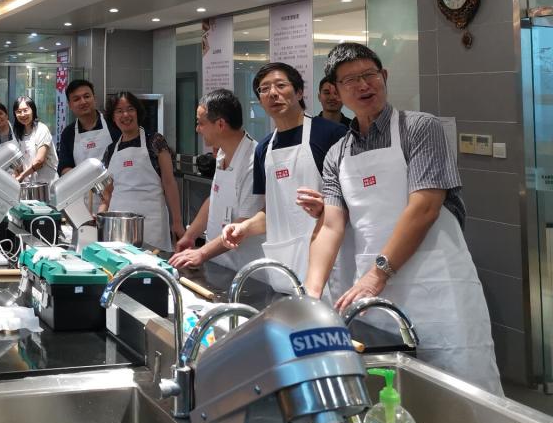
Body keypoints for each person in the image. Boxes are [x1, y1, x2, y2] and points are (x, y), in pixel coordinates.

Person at [304, 43, 502, 395]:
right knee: (392, 392)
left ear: (384, 76)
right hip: (376, 298)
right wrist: (310, 293)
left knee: (462, 389)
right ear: (335, 90)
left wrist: (378, 274)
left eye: (369, 75)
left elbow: (424, 208)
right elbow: (331, 225)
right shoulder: (336, 154)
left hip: (436, 286)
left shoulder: (420, 128)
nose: (363, 85)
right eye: (350, 80)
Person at [221, 62, 351, 297]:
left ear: (299, 92)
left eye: (281, 85)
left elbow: (355, 199)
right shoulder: (264, 148)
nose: (273, 93)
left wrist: (326, 207)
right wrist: (244, 228)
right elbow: (272, 212)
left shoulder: (331, 134)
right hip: (285, 266)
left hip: (332, 264)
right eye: (264, 89)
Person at [169, 89, 264, 271]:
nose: (197, 129)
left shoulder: (253, 161)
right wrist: (190, 235)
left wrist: (202, 253)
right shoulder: (221, 153)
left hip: (244, 269)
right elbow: (214, 199)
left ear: (220, 124)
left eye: (201, 123)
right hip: (218, 261)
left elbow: (245, 222)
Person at [100, 92, 184, 252]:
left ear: (138, 112)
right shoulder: (110, 150)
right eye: (119, 111)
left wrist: (177, 222)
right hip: (118, 225)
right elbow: (108, 192)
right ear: (113, 117)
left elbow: (169, 182)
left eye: (130, 109)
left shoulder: (155, 141)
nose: (125, 115)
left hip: (151, 223)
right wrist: (100, 217)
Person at [57, 79, 117, 175]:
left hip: (114, 182)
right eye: (76, 99)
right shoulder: (68, 133)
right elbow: (64, 167)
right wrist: (84, 178)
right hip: (82, 183)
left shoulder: (114, 124)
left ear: (94, 98)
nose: (83, 102)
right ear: (70, 105)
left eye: (87, 96)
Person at [12, 96, 59, 183]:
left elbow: (39, 161)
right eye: (19, 111)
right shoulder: (19, 134)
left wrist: (22, 176)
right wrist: (16, 173)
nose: (22, 114)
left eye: (25, 110)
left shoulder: (42, 129)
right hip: (30, 184)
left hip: (47, 183)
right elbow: (21, 162)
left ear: (33, 110)